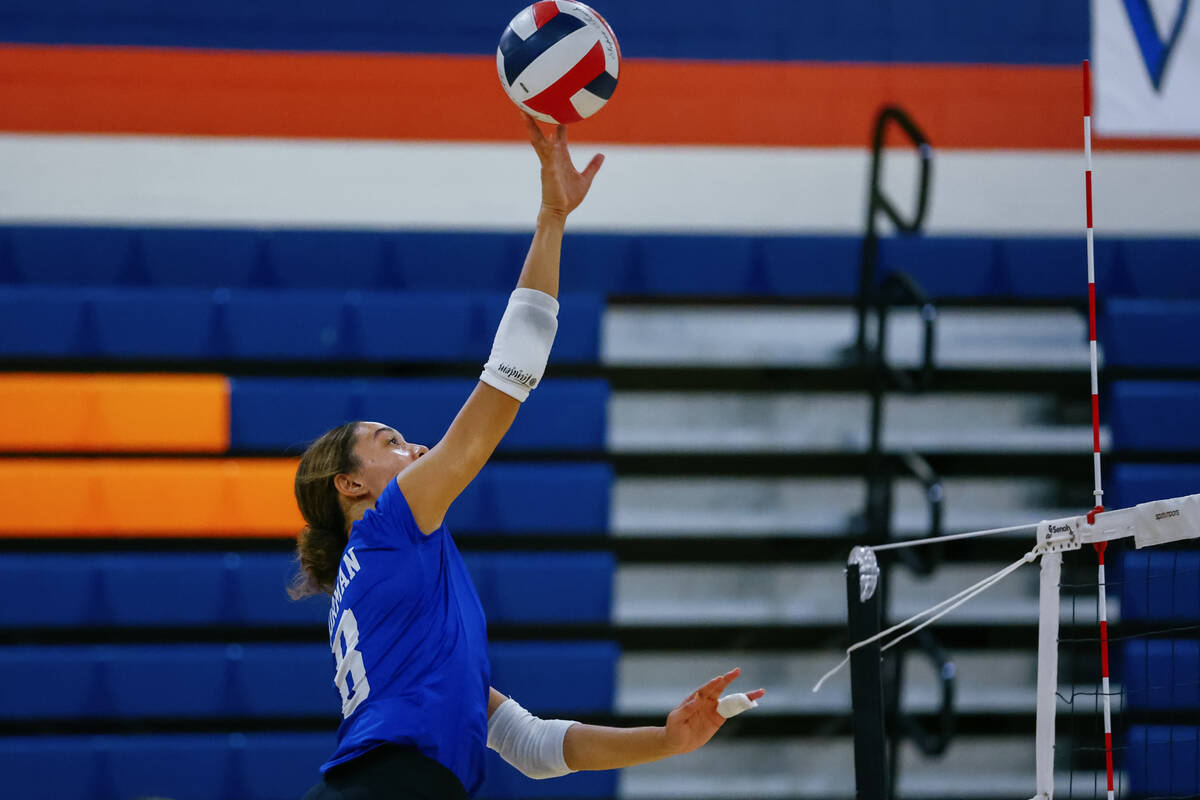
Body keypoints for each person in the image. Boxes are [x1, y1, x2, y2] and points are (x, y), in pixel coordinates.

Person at [290, 114, 765, 800]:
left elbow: (531, 744)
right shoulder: (388, 526)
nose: (414, 446)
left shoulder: (406, 610)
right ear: (352, 485)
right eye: (389, 443)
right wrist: (551, 217)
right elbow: (509, 376)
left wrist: (668, 740)